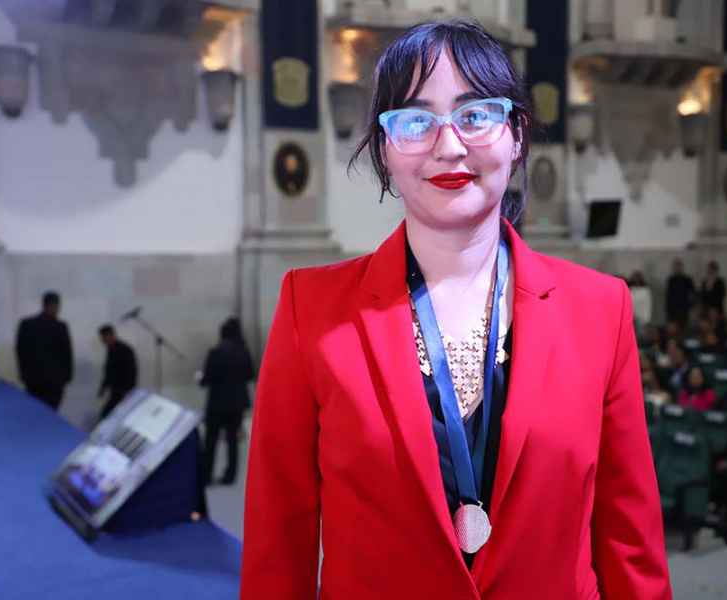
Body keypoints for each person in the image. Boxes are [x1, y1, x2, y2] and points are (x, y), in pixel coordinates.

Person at [241, 20, 671, 600]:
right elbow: (278, 541)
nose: (448, 146)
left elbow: (629, 542)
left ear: (516, 135)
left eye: (476, 114)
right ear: (385, 149)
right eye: (415, 121)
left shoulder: (600, 309)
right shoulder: (311, 311)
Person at [200, 317, 255, 485]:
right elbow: (250, 374)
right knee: (232, 441)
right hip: (236, 404)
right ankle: (230, 476)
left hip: (216, 404)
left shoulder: (215, 352)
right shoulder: (244, 352)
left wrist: (200, 379)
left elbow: (206, 379)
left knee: (211, 441)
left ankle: (206, 475)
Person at [14, 291, 73, 410]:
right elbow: (67, 354)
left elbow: (20, 351)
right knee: (51, 412)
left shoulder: (26, 325)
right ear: (55, 305)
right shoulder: (60, 327)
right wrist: (67, 377)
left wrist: (24, 374)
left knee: (35, 412)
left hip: (33, 381)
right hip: (54, 383)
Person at [97, 325, 138, 419]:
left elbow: (131, 371)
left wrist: (128, 390)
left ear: (111, 335)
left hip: (124, 390)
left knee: (107, 415)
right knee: (108, 415)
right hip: (116, 390)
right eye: (102, 338)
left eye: (104, 337)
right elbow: (109, 372)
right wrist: (103, 388)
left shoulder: (125, 350)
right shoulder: (111, 350)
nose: (102, 340)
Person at [665, 258, 695, 327]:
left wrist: (690, 306)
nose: (677, 268)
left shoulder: (687, 279)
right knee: (673, 327)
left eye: (679, 266)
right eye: (676, 267)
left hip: (684, 309)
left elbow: (692, 294)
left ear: (682, 267)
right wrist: (668, 309)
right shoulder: (671, 280)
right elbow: (668, 295)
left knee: (683, 327)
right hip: (673, 310)